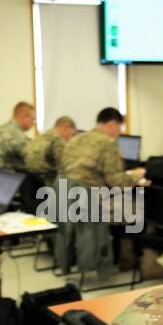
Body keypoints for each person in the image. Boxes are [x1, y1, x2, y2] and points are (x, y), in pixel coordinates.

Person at [58, 107, 150, 278]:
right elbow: (117, 181)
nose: (120, 132)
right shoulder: (107, 143)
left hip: (68, 199)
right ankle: (131, 260)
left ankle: (117, 254)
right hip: (92, 205)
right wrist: (137, 177)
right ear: (113, 124)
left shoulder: (76, 138)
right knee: (141, 208)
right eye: (120, 127)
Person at [0, 101, 35, 173]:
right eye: (33, 119)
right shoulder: (17, 136)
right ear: (25, 117)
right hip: (9, 178)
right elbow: (32, 158)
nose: (33, 123)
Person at [23, 114, 76, 185]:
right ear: (66, 127)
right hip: (47, 186)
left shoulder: (39, 138)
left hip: (31, 185)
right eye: (72, 134)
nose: (71, 138)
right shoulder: (58, 141)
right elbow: (64, 170)